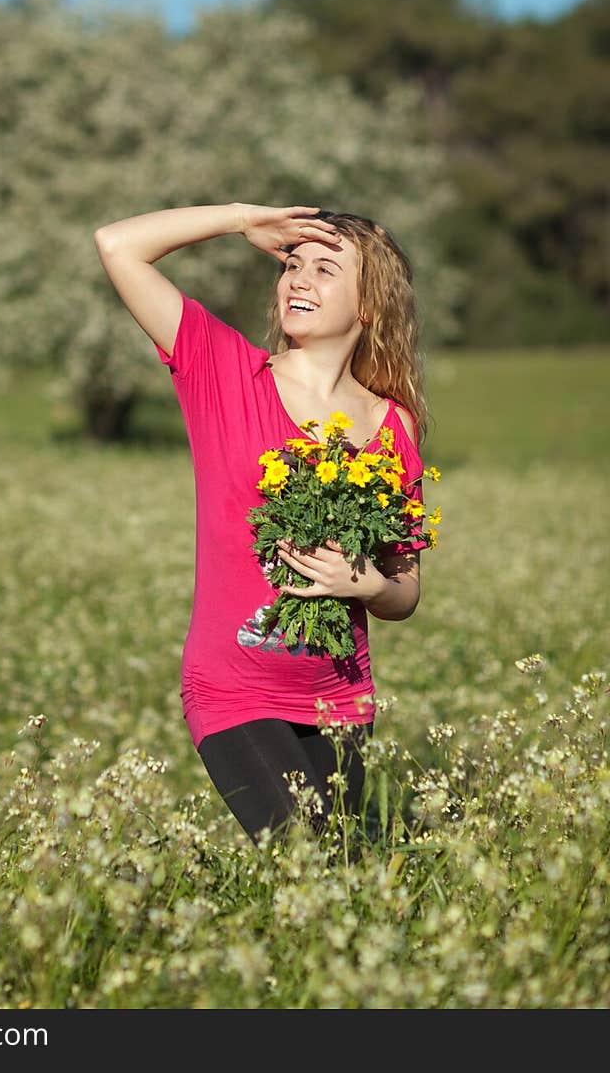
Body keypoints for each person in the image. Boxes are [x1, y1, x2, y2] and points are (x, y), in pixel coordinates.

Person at [93, 202, 430, 848]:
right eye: (292, 266)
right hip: (233, 689)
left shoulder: (395, 426)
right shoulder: (223, 372)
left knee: (345, 879)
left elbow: (405, 589)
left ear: (369, 305)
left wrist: (365, 584)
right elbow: (117, 244)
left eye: (326, 269)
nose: (299, 279)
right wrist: (243, 220)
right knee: (304, 862)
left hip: (341, 696)